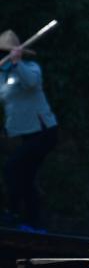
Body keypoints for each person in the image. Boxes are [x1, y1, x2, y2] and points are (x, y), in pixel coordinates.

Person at [0, 29, 58, 229]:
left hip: (44, 132)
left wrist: (17, 63)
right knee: (25, 176)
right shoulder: (2, 76)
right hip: (26, 135)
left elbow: (32, 83)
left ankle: (13, 213)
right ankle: (32, 222)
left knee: (12, 168)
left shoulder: (31, 68)